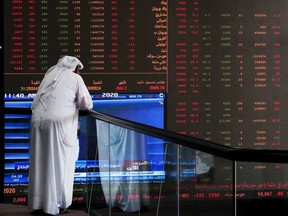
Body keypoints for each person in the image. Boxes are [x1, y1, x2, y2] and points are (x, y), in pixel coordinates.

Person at [28, 56, 93, 215]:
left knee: (39, 162)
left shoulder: (48, 75)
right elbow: (86, 103)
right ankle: (53, 206)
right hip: (58, 124)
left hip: (37, 122)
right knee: (58, 165)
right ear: (75, 68)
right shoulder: (75, 78)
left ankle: (37, 204)